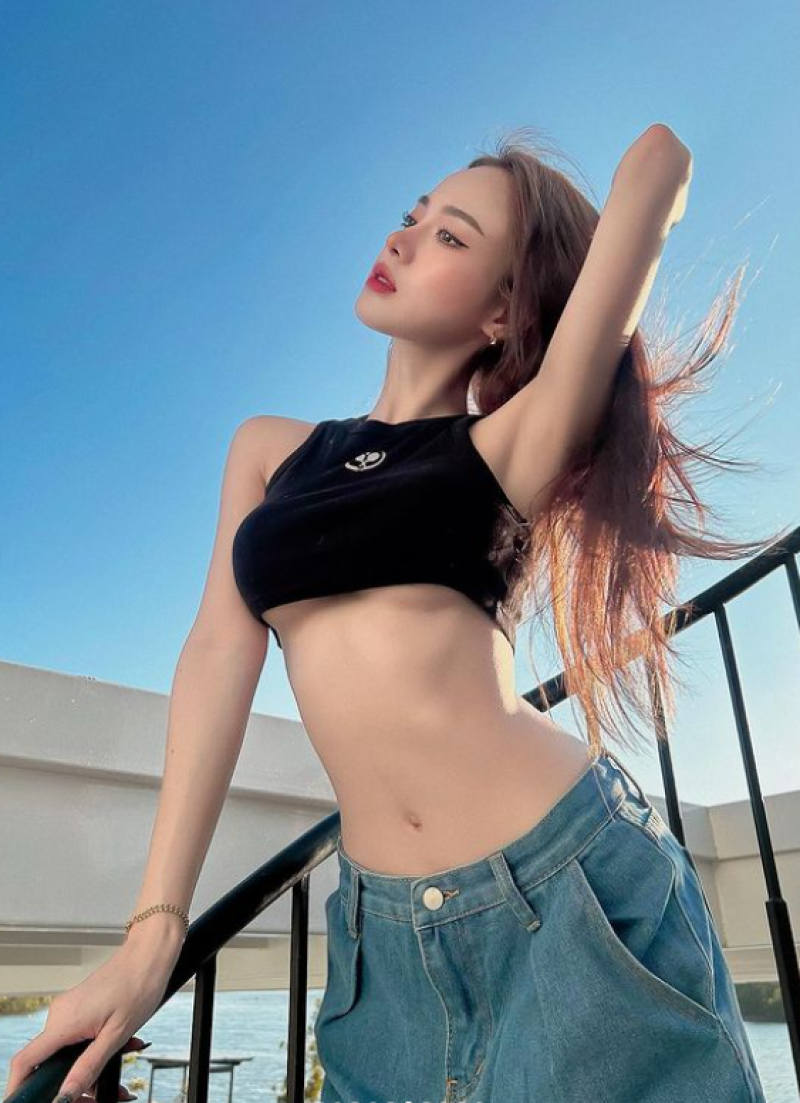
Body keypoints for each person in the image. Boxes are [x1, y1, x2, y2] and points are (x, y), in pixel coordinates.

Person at [5, 124, 776, 1103]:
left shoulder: (515, 440)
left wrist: (550, 215)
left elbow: (658, 162)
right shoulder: (269, 450)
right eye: (411, 216)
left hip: (567, 889)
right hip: (383, 941)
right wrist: (154, 930)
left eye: (451, 236)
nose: (403, 239)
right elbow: (214, 656)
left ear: (502, 311)